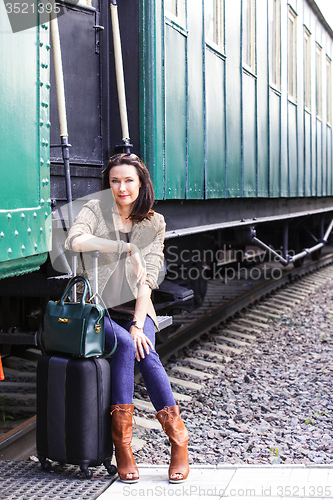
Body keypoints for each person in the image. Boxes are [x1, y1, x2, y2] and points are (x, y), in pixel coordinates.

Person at [64, 153, 189, 484]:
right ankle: (123, 446)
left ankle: (178, 442)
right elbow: (74, 240)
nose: (121, 187)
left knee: (142, 348)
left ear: (141, 183)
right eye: (115, 180)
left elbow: (148, 278)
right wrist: (125, 248)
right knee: (122, 344)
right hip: (96, 308)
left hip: (135, 307)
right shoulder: (95, 210)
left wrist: (137, 324)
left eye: (128, 180)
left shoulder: (153, 222)